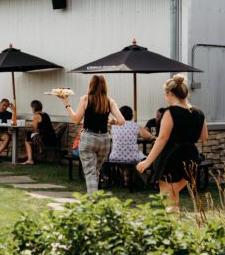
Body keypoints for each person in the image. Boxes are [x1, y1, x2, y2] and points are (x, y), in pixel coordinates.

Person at [136, 75, 208, 212]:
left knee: (169, 200)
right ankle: (174, 228)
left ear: (169, 93)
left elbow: (162, 138)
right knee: (173, 198)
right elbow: (204, 137)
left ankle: (172, 230)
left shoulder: (170, 112)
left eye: (165, 94)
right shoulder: (199, 113)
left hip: (171, 157)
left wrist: (147, 162)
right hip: (191, 156)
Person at [61, 75, 125, 197]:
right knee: (95, 171)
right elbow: (121, 121)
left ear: (91, 85)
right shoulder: (109, 101)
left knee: (90, 173)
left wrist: (66, 103)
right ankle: (95, 197)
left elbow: (76, 119)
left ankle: (93, 202)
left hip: (89, 138)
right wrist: (113, 121)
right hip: (104, 140)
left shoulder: (85, 99)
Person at [20, 100, 56, 165]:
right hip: (52, 138)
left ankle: (30, 159)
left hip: (45, 139)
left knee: (27, 139)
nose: (31, 109)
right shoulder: (45, 114)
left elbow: (35, 130)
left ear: (34, 108)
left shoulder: (36, 115)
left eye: (31, 107)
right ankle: (29, 154)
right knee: (29, 135)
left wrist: (30, 125)